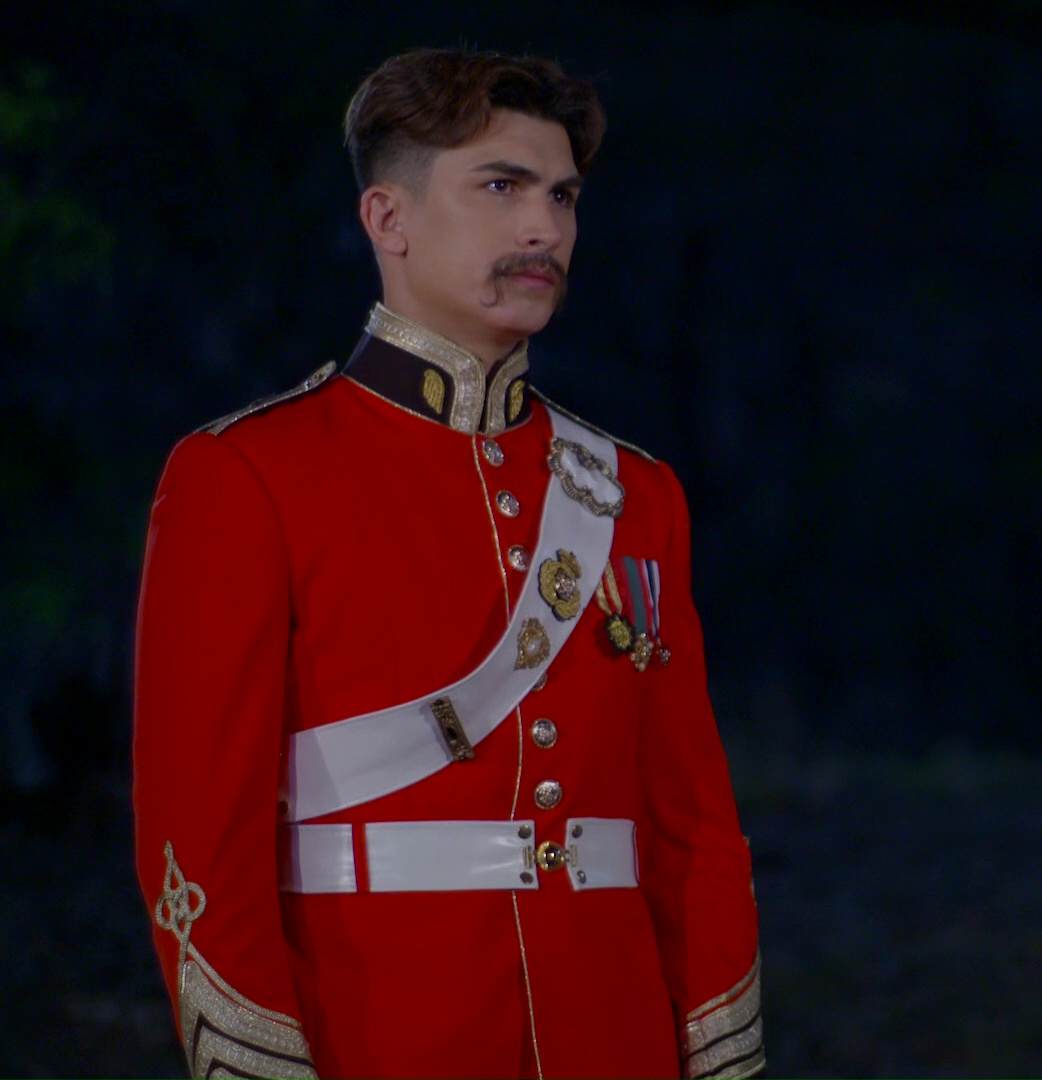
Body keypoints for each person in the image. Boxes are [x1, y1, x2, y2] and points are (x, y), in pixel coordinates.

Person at [132, 48, 765, 1080]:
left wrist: (720, 1058)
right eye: (501, 187)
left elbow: (692, 828)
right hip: (380, 1038)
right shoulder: (246, 474)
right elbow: (196, 837)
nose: (544, 228)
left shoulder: (636, 493)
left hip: (614, 1042)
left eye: (562, 196)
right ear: (388, 219)